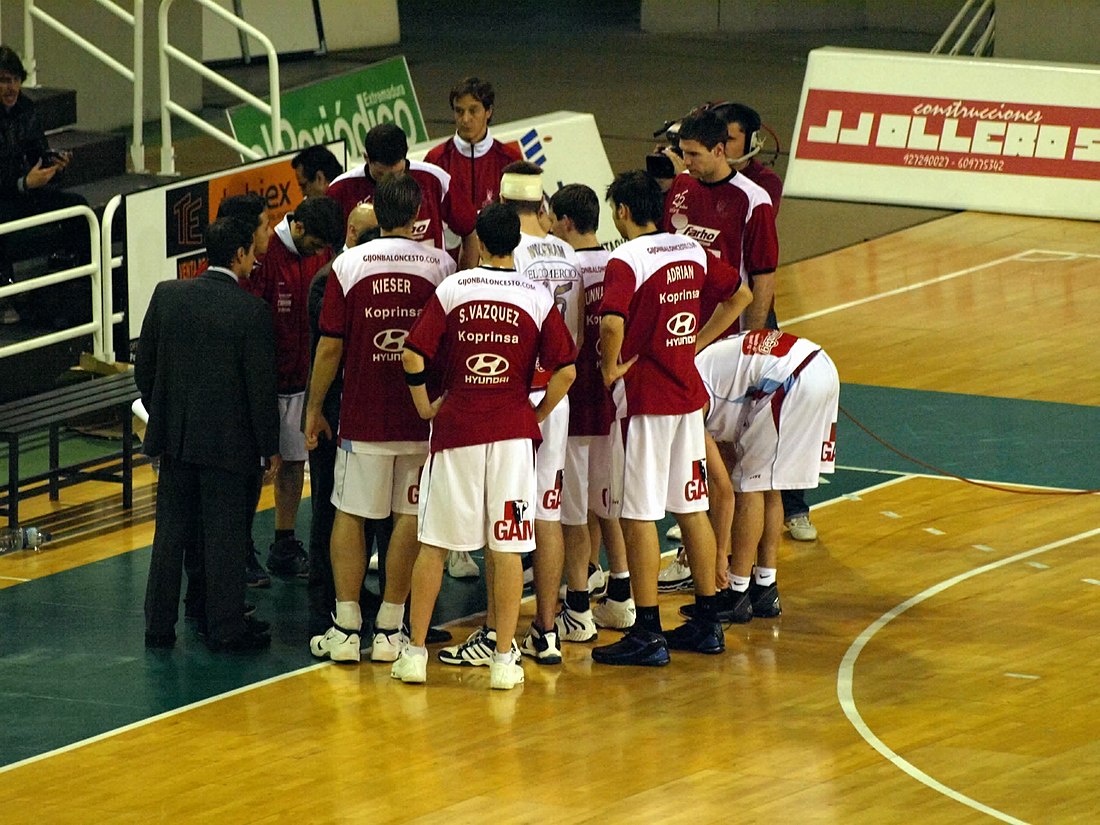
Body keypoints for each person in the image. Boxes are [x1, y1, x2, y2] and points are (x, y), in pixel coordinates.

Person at [392, 202, 576, 689]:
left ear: (477, 240)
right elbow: (567, 370)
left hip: (456, 431)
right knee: (509, 547)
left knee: (434, 545)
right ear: (516, 243)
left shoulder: (454, 287)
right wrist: (534, 414)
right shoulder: (536, 294)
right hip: (513, 436)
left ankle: (413, 656)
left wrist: (423, 406)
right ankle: (502, 660)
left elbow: (412, 353)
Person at [591, 170, 752, 667]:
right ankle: (707, 623)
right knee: (690, 506)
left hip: (645, 400)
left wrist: (610, 365)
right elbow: (740, 296)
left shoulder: (626, 258)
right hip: (685, 396)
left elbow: (613, 321)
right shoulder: (689, 249)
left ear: (620, 212)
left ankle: (647, 631)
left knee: (638, 514)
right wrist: (696, 343)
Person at [305, 176, 456, 663]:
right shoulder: (441, 264)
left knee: (350, 513)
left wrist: (312, 408)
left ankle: (347, 628)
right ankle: (391, 628)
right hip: (419, 415)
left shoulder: (347, 266)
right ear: (416, 215)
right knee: (408, 517)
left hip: (363, 415)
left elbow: (330, 347)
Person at [136, 216, 280, 652]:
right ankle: (224, 628)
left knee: (170, 536)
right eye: (251, 251)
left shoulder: (168, 295)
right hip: (229, 448)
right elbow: (260, 390)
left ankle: (159, 627)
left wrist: (168, 412)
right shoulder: (251, 311)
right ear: (237, 254)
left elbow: (144, 368)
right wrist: (269, 449)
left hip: (176, 441)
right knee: (225, 537)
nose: (256, 257)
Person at [711, 102, 818, 542]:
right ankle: (723, 509)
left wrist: (755, 331)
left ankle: (795, 506)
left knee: (770, 415)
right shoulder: (698, 184)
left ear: (751, 143)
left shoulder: (763, 185)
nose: (722, 147)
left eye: (730, 139)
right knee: (719, 419)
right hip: (715, 311)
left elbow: (759, 260)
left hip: (754, 304)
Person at [680, 329, 838, 623]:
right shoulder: (704, 369)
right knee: (769, 484)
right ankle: (765, 587)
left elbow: (723, 489)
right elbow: (725, 464)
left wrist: (718, 559)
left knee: (750, 486)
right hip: (819, 364)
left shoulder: (686, 399)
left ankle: (737, 594)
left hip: (790, 378)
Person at [548, 183, 635, 632]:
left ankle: (578, 608)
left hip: (576, 404)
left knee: (573, 515)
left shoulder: (563, 270)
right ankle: (621, 593)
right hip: (616, 405)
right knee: (610, 506)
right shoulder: (620, 262)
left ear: (564, 222)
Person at [249, 196, 345, 577]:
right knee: (258, 469)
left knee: (293, 464)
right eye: (315, 244)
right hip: (269, 383)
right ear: (299, 228)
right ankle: (241, 547)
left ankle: (283, 542)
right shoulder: (266, 254)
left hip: (304, 381)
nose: (319, 252)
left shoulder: (321, 254)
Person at [303, 203, 382, 637]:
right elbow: (328, 351)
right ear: (352, 231)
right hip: (336, 414)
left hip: (361, 413)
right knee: (328, 511)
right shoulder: (327, 281)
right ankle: (324, 598)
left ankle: (351, 590)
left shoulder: (354, 273)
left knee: (365, 509)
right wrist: (317, 412)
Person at [661, 109, 778, 332]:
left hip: (728, 331)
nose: (686, 161)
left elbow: (764, 278)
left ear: (718, 150)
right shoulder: (681, 184)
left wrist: (749, 341)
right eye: (684, 152)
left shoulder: (753, 199)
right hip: (680, 326)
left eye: (694, 155)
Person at [0, 45, 86, 325]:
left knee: (79, 209)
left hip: (27, 191)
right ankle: (5, 296)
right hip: (6, 196)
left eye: (14, 80)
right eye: (3, 80)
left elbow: (39, 154)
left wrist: (54, 167)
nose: (10, 87)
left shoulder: (27, 109)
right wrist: (23, 183)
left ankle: (81, 281)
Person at [326, 123, 480, 270]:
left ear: (406, 155)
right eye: (381, 175)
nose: (390, 183)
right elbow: (326, 249)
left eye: (397, 174)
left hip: (430, 289)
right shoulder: (339, 190)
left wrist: (464, 280)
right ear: (366, 158)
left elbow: (469, 229)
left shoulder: (435, 179)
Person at [424, 76, 522, 212]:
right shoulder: (435, 160)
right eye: (459, 111)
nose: (465, 119)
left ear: (488, 111)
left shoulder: (511, 161)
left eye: (473, 110)